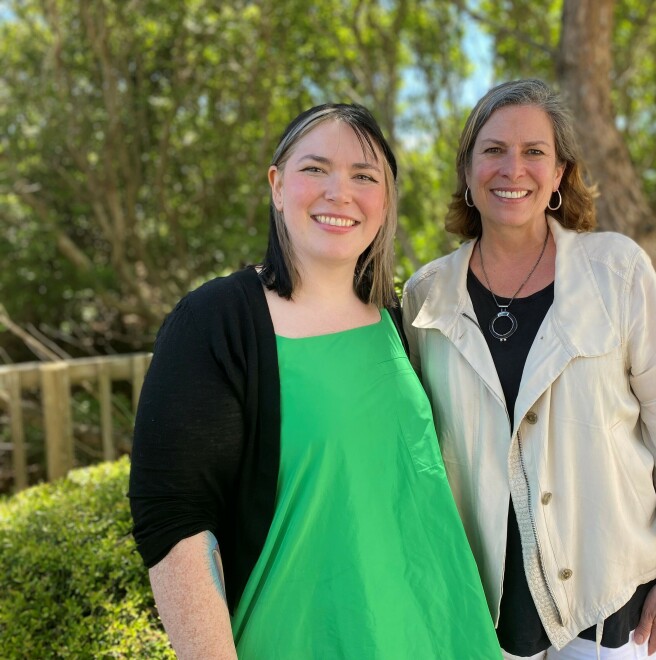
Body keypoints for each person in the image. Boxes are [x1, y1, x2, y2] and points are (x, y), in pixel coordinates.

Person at [128, 103, 501, 659]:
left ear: (386, 200)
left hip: (441, 634)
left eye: (364, 176)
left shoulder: (399, 319)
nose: (339, 192)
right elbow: (173, 516)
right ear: (277, 185)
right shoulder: (217, 321)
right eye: (315, 169)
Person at [402, 79, 656, 660]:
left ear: (559, 175)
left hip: (610, 598)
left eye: (533, 152)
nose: (511, 168)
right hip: (484, 605)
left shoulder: (617, 272)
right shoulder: (426, 296)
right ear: (468, 172)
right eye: (492, 150)